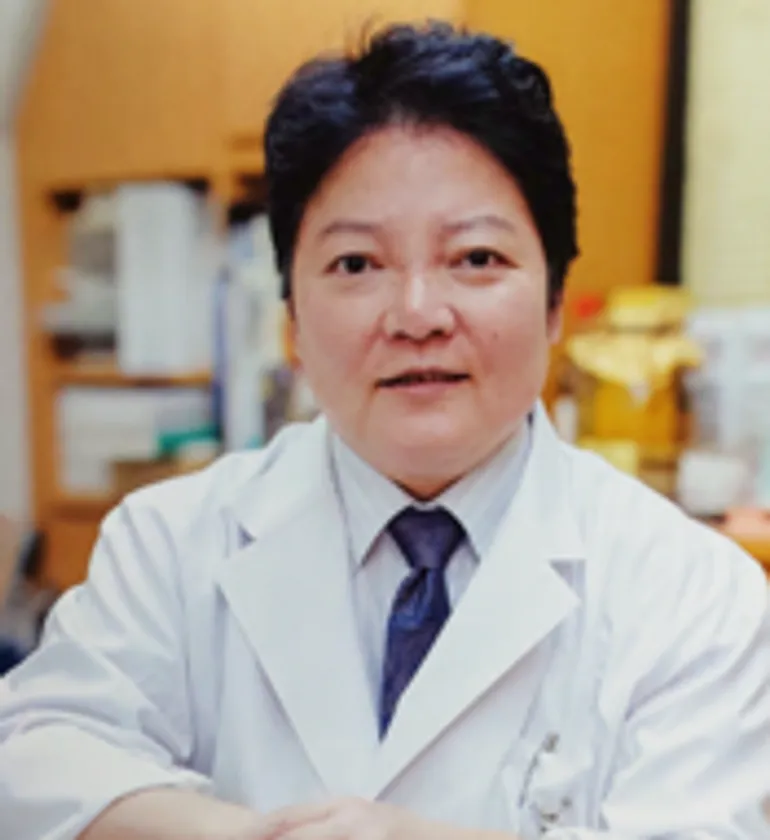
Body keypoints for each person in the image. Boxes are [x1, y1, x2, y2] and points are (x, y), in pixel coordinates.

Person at [1, 21, 768, 840]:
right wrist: (249, 838)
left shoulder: (692, 593)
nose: (417, 315)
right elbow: (37, 761)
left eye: (475, 258)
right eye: (357, 265)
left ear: (553, 304)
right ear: (291, 322)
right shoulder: (169, 543)